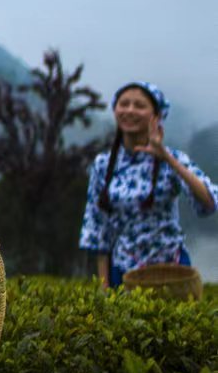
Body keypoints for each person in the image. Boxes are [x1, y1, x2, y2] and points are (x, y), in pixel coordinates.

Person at [79, 81, 214, 287]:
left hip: (172, 270)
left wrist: (167, 158)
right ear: (115, 110)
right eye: (124, 104)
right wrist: (104, 289)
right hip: (123, 270)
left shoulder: (173, 159)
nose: (130, 110)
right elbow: (98, 229)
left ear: (156, 116)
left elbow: (208, 201)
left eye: (139, 105)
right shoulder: (103, 164)